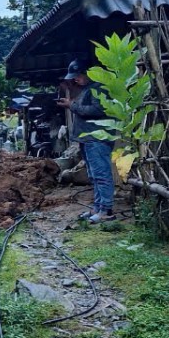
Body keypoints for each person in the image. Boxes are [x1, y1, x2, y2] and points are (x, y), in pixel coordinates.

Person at [56, 58, 115, 223]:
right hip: (89, 138)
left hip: (97, 138)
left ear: (89, 72)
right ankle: (98, 207)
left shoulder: (100, 89)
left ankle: (106, 210)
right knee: (94, 175)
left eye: (78, 75)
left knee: (101, 174)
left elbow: (97, 110)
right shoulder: (88, 88)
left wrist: (72, 106)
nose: (75, 78)